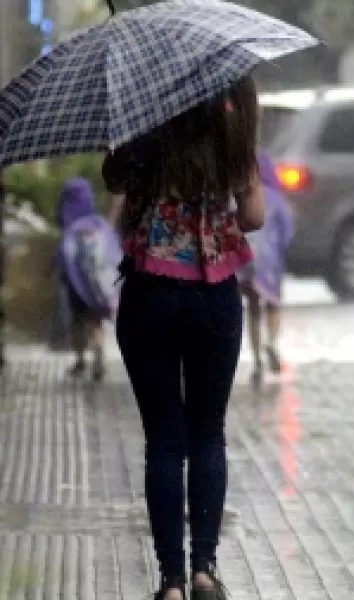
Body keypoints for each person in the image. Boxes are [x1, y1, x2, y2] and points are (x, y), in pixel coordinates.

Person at [103, 74, 265, 600]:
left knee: (164, 442)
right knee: (208, 434)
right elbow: (255, 217)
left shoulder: (143, 132)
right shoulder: (230, 131)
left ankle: (170, 580)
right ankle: (203, 568)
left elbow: (118, 205)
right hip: (212, 296)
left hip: (149, 295)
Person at [238, 150, 295, 382]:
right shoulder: (276, 200)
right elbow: (287, 231)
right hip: (270, 263)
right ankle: (271, 342)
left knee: (253, 309)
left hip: (246, 261)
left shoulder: (243, 196)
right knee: (272, 305)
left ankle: (257, 360)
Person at [54, 178, 109, 380]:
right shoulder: (97, 223)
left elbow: (63, 256)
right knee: (96, 322)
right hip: (97, 285)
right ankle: (99, 358)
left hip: (74, 284)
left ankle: (80, 361)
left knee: (77, 322)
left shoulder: (70, 225)